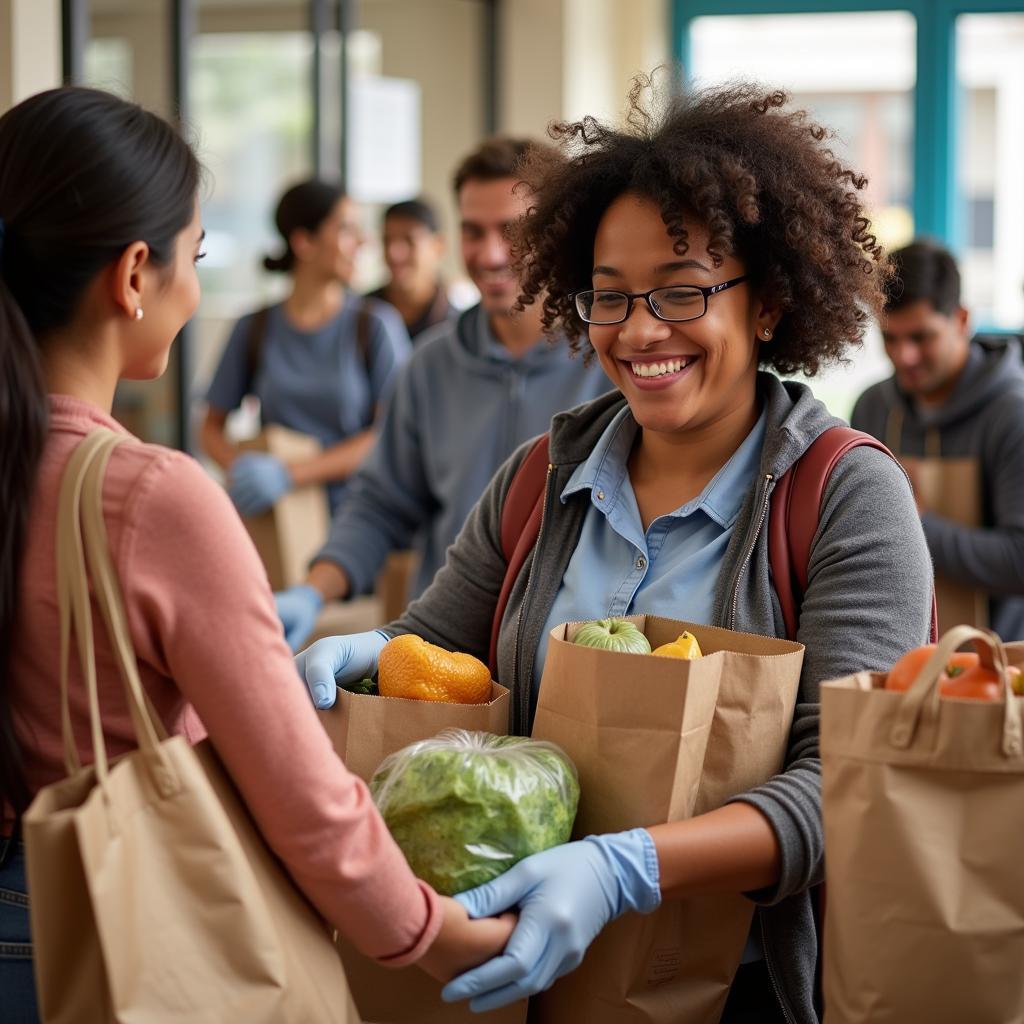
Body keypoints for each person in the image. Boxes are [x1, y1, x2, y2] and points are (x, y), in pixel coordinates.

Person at [300, 81, 935, 1022]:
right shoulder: (538, 480)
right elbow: (442, 650)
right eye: (608, 296)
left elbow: (847, 787)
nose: (639, 331)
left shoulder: (844, 497)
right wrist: (366, 655)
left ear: (768, 303)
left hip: (738, 991)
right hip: (518, 977)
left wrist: (623, 868)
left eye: (683, 291)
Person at [0, 86, 510, 1024]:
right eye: (195, 257)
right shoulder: (149, 499)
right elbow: (304, 803)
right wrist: (441, 936)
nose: (196, 288)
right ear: (135, 274)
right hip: (108, 920)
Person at [274, 136, 611, 653]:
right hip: (442, 656)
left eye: (514, 231)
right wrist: (311, 594)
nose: (490, 253)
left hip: (571, 658)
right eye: (473, 231)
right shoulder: (428, 367)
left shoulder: (610, 363)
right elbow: (380, 504)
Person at [200, 179, 410, 517]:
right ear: (304, 242)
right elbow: (209, 428)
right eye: (346, 229)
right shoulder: (254, 327)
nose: (362, 242)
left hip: (358, 521)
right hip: (280, 522)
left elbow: (388, 436)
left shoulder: (374, 327)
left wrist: (288, 475)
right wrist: (242, 470)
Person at [851, 240, 1024, 640]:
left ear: (962, 319)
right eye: (889, 339)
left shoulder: (1011, 416)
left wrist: (911, 520)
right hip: (895, 658)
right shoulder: (873, 408)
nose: (903, 356)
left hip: (995, 670)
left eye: (921, 337)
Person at [366, 197, 455, 340]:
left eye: (409, 240)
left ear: (438, 246)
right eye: (387, 240)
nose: (394, 253)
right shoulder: (362, 316)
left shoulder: (456, 328)